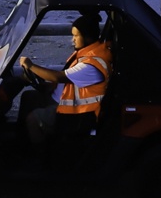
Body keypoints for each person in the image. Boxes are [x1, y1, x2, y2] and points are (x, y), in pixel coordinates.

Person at [20, 12, 112, 147]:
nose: (72, 40)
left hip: (76, 112)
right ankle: (22, 141)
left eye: (76, 36)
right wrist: (49, 86)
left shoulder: (92, 65)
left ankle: (39, 156)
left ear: (87, 37)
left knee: (33, 119)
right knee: (28, 97)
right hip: (61, 98)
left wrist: (31, 65)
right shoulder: (88, 52)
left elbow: (58, 76)